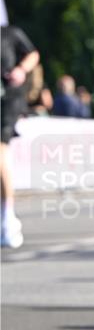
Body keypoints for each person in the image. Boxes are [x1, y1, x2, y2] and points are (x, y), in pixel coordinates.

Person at [1, 24, 40, 248]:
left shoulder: (9, 33)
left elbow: (33, 54)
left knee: (0, 151)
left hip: (6, 101)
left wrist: (21, 69)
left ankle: (8, 218)